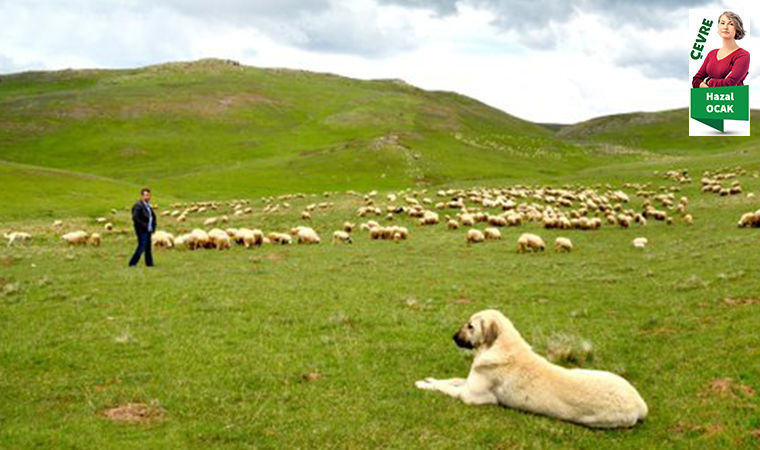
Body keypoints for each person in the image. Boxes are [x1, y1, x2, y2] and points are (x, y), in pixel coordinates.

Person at [692, 11, 750, 88]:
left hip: (732, 99)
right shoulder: (711, 54)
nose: (725, 27)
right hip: (709, 99)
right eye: (722, 23)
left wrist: (707, 80)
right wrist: (713, 86)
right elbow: (696, 80)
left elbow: (729, 84)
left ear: (737, 29)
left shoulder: (742, 55)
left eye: (731, 24)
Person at [129, 188, 157, 267]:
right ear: (142, 196)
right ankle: (132, 263)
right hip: (141, 230)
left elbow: (152, 217)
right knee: (142, 246)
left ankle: (149, 263)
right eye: (146, 195)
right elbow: (135, 217)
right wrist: (144, 225)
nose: (148, 197)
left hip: (148, 229)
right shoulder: (138, 205)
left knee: (148, 247)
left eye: (149, 195)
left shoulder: (148, 206)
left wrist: (153, 226)